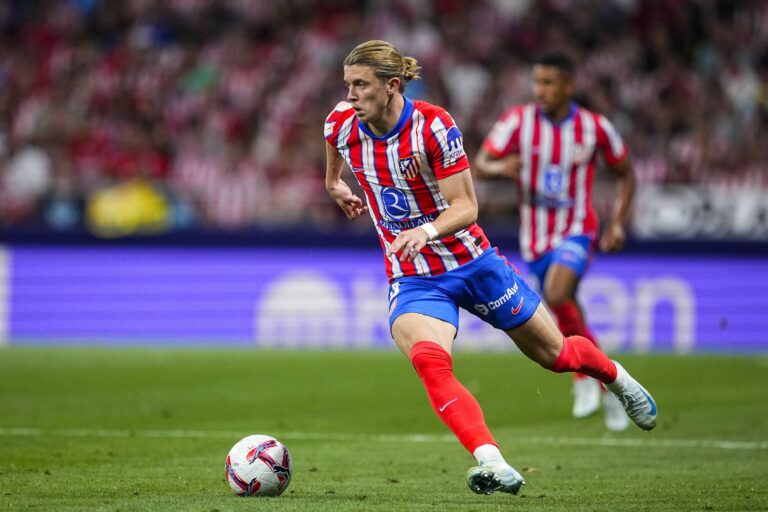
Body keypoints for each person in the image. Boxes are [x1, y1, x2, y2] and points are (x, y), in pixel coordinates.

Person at [324, 40, 656, 496]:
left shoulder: (433, 127)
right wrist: (334, 184)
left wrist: (426, 232)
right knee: (429, 361)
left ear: (392, 85)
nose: (351, 95)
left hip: (473, 263)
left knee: (555, 355)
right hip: (415, 277)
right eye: (348, 85)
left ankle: (615, 377)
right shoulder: (342, 123)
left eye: (361, 85)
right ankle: (492, 461)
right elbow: (332, 155)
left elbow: (467, 207)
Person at [475, 51, 636, 431]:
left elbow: (626, 174)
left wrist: (617, 223)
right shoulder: (518, 121)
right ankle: (612, 382)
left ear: (568, 85)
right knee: (567, 310)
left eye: (548, 83)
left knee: (558, 293)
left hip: (578, 228)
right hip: (535, 239)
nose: (540, 90)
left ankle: (583, 379)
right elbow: (480, 162)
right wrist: (500, 167)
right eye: (537, 82)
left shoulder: (595, 128)